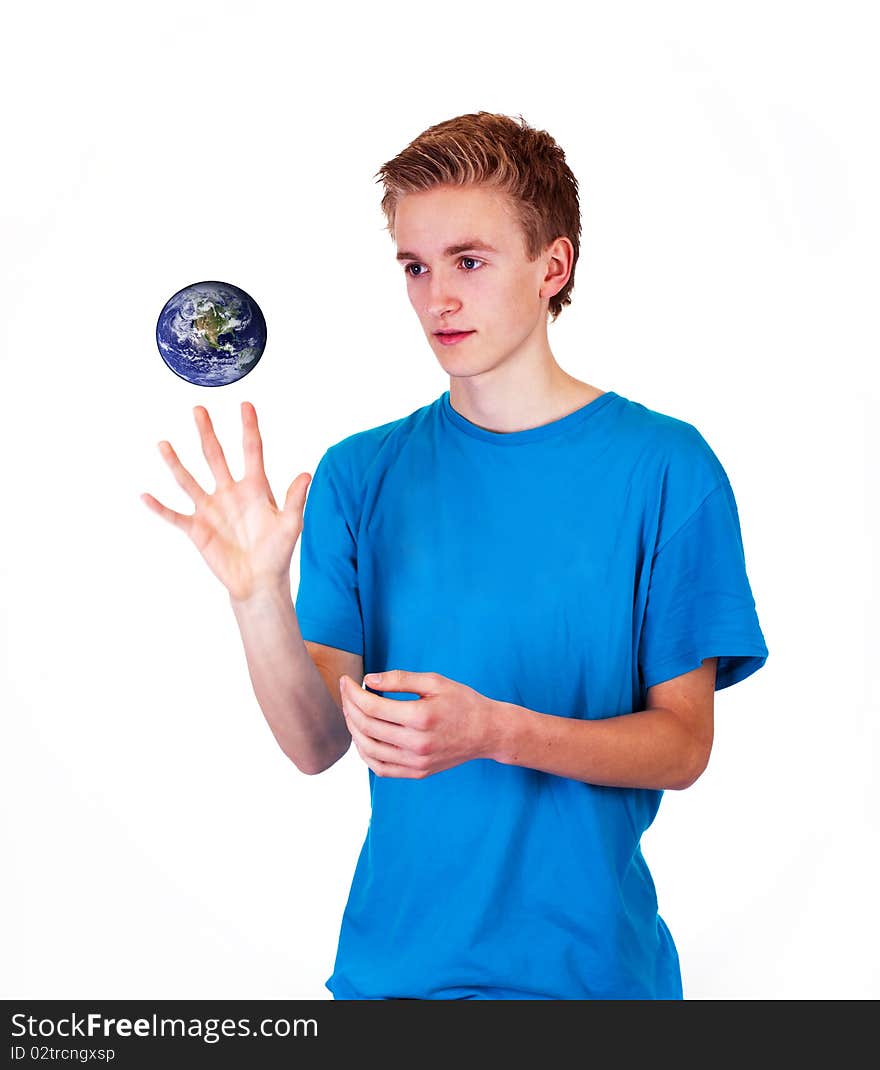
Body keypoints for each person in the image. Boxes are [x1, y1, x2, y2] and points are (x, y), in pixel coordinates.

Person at [142, 111, 769, 1000]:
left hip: (593, 984)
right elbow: (318, 743)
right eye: (415, 266)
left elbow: (683, 744)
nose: (437, 297)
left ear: (553, 266)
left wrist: (497, 732)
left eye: (468, 261)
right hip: (392, 983)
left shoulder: (666, 469)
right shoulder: (361, 475)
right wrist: (256, 599)